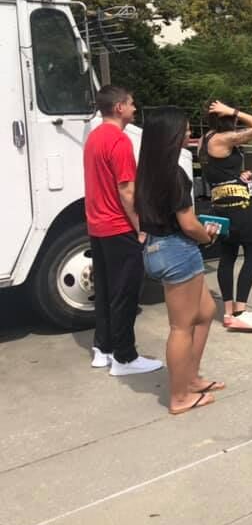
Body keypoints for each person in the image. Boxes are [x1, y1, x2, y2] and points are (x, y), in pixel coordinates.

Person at [135, 106, 221, 415]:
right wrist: (206, 234)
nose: (189, 133)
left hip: (160, 247)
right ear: (170, 134)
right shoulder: (175, 174)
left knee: (207, 310)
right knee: (181, 327)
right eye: (184, 129)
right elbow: (188, 224)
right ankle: (180, 396)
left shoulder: (148, 169)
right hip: (177, 250)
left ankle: (192, 378)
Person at [83, 85, 163, 376]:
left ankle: (102, 349)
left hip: (98, 226)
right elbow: (127, 190)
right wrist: (140, 228)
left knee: (104, 291)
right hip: (119, 226)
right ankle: (125, 357)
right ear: (119, 108)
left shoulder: (93, 139)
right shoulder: (119, 140)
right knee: (125, 294)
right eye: (131, 103)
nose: (134, 108)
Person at [201, 100, 252, 332]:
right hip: (241, 207)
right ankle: (240, 310)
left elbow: (219, 170)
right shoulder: (224, 138)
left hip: (221, 204)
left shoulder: (206, 139)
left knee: (228, 255)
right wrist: (234, 111)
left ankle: (229, 312)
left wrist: (239, 174)